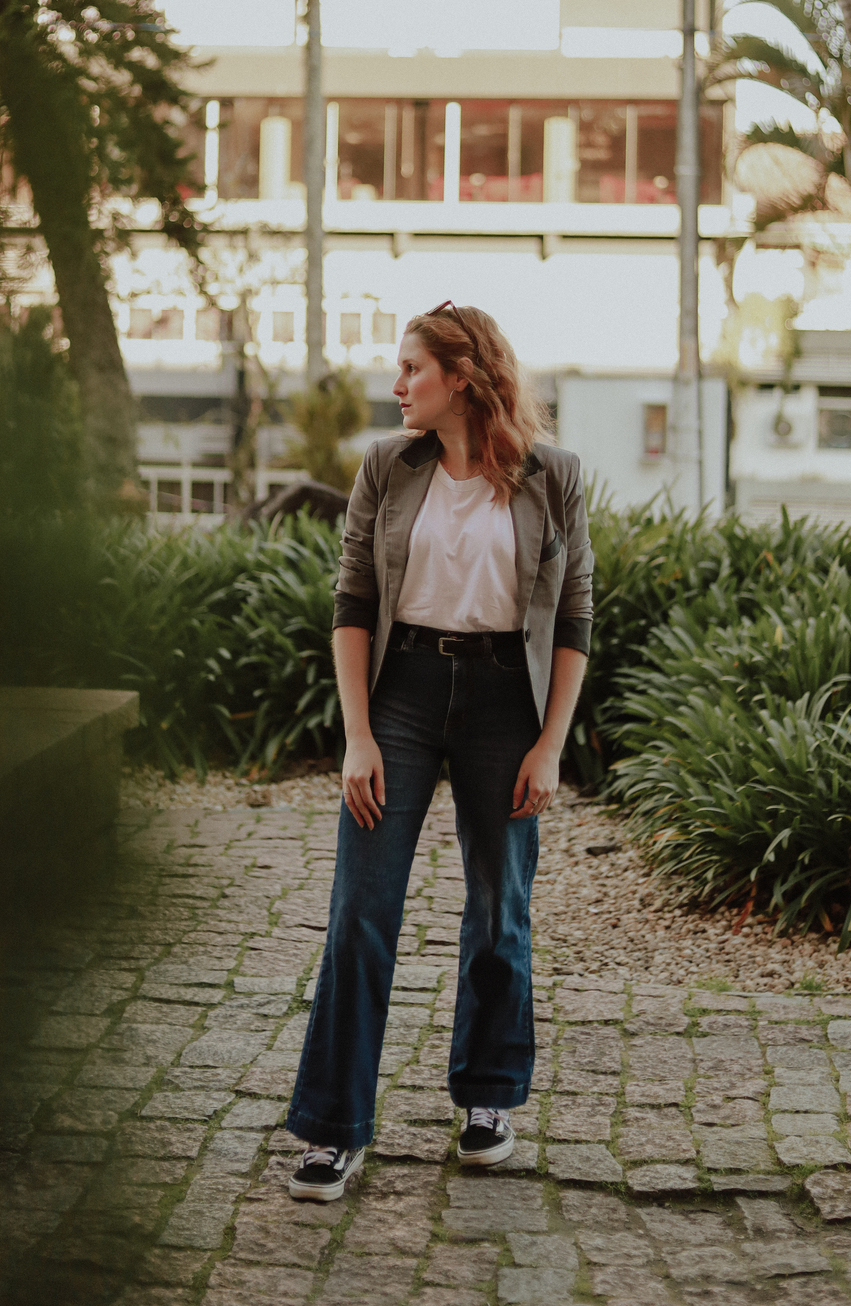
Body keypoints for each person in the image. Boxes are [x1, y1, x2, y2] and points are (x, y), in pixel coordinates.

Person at [285, 302, 593, 1201]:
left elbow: (575, 616)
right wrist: (358, 736)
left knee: (499, 908)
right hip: (402, 696)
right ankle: (334, 1128)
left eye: (411, 368)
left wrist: (549, 745)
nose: (397, 385)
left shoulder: (554, 476)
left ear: (461, 379)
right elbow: (352, 603)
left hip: (506, 702)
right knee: (360, 909)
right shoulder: (387, 465)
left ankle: (487, 1098)